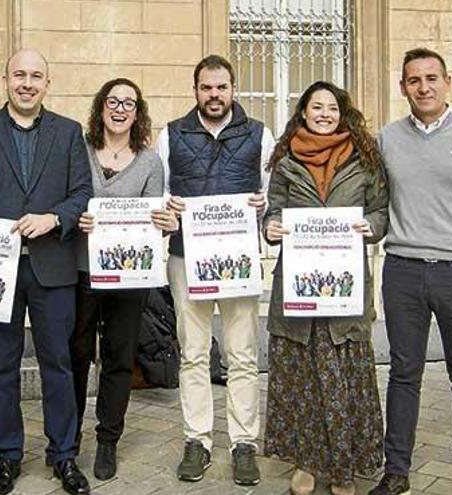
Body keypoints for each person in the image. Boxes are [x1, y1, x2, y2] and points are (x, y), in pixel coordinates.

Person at [0, 48, 92, 495]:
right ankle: (8, 455)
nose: (27, 83)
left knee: (58, 364)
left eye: (36, 76)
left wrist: (54, 217)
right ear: (5, 80)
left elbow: (81, 194)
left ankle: (64, 455)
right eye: (20, 75)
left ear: (47, 84)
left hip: (53, 267)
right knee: (1, 367)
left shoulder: (69, 132)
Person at [262, 81, 388, 495]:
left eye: (331, 107)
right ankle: (307, 463)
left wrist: (372, 227)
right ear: (303, 113)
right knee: (302, 379)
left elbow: (380, 209)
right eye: (316, 107)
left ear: (342, 112)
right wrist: (271, 227)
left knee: (342, 380)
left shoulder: (364, 157)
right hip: (298, 288)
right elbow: (273, 209)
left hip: (344, 290)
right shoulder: (285, 161)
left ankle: (343, 468)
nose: (324, 114)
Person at [155, 54, 274, 486]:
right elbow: (162, 193)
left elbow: (271, 193)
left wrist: (264, 208)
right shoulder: (171, 136)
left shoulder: (260, 134)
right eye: (206, 87)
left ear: (233, 89)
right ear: (195, 90)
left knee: (242, 355)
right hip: (187, 257)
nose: (214, 95)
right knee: (193, 354)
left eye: (221, 87)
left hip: (238, 260)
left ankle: (244, 443)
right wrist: (167, 213)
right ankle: (198, 439)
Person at [369, 47, 452, 495]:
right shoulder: (387, 139)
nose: (424, 87)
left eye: (432, 78)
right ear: (403, 87)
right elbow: (368, 199)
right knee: (403, 373)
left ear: (447, 82)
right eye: (414, 80)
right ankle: (396, 472)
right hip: (403, 270)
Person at [69, 78, 177, 481]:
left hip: (130, 278)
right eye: (112, 101)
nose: (119, 109)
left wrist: (165, 224)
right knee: (77, 356)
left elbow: (154, 222)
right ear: (101, 108)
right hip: (81, 270)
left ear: (137, 112)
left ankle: (108, 440)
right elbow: (67, 201)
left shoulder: (150, 163)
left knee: (117, 358)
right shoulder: (79, 152)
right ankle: (69, 440)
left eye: (128, 103)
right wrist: (74, 218)